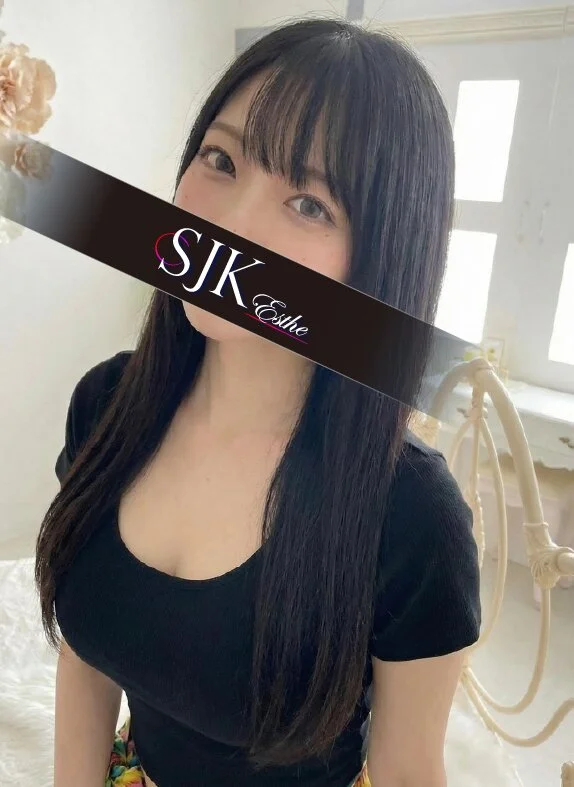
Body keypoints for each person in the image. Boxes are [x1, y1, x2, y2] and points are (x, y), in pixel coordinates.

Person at [36, 17, 481, 787]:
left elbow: (408, 770)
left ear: (380, 259)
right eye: (221, 159)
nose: (229, 226)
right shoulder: (107, 402)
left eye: (308, 204)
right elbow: (87, 655)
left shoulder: (412, 516)